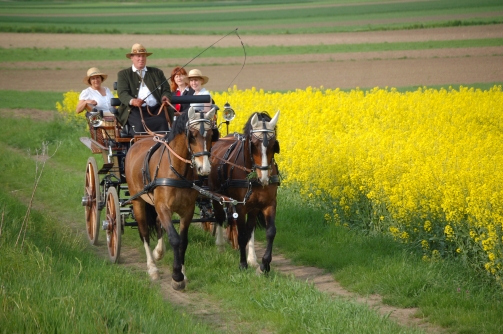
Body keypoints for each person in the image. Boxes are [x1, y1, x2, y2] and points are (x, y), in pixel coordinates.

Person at [117, 43, 173, 135]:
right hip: (135, 111)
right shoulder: (124, 74)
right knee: (139, 126)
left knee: (162, 123)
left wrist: (165, 97)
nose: (141, 59)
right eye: (138, 56)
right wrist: (133, 101)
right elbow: (122, 93)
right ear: (132, 57)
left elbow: (166, 89)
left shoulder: (157, 72)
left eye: (143, 56)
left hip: (156, 110)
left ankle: (162, 148)